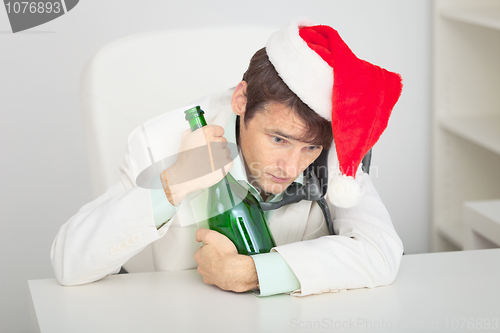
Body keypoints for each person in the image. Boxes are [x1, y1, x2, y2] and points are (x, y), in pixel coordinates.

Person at [51, 19, 403, 297]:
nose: (292, 167)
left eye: (309, 148)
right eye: (278, 139)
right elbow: (69, 263)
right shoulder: (158, 141)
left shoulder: (334, 149)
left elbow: (381, 252)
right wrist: (173, 185)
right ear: (241, 101)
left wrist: (253, 274)